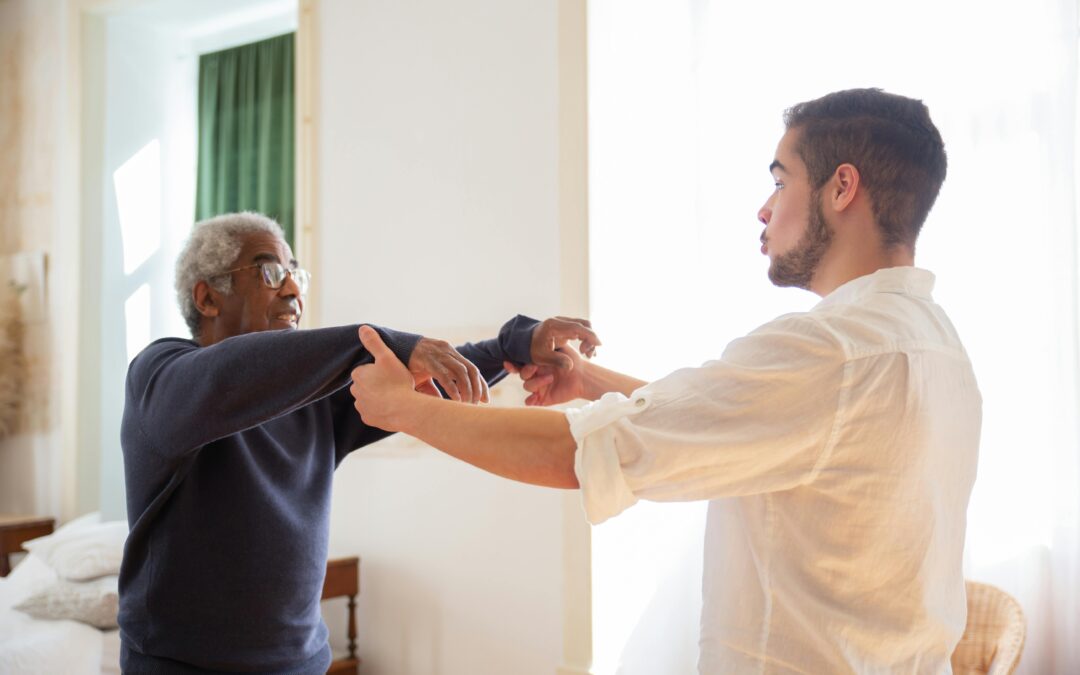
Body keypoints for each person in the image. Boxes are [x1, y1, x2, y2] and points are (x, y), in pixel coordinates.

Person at [350, 89, 982, 673]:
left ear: (842, 186)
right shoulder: (936, 344)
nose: (763, 207)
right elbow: (740, 420)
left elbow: (574, 453)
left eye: (781, 179)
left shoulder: (830, 352)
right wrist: (589, 381)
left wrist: (404, 410)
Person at [118, 211, 600, 673]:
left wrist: (512, 346)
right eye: (268, 271)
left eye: (295, 274)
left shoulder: (311, 401)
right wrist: (386, 342)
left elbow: (415, 379)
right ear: (207, 298)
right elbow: (229, 377)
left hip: (301, 665)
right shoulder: (160, 376)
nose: (291, 288)